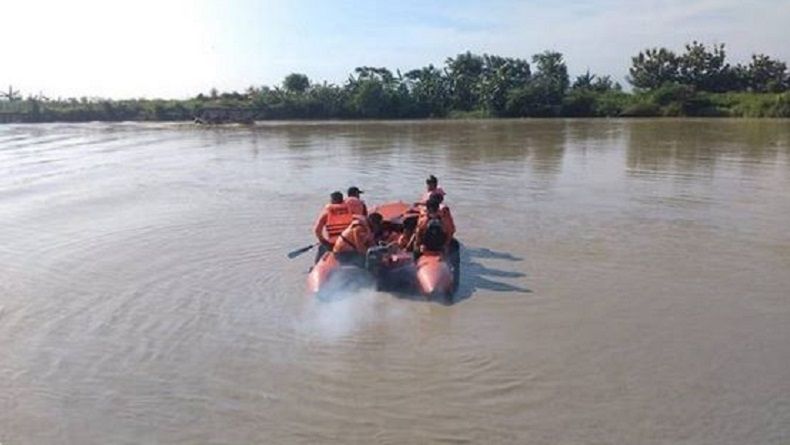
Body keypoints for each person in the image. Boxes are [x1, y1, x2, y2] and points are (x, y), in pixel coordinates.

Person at [312, 191, 353, 262]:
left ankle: (315, 268)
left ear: (332, 200)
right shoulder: (350, 211)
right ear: (342, 200)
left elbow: (317, 230)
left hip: (332, 244)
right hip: (348, 243)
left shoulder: (326, 213)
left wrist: (323, 241)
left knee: (321, 248)